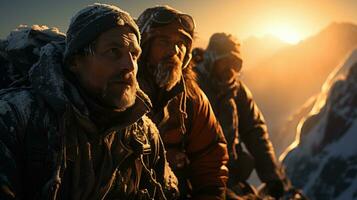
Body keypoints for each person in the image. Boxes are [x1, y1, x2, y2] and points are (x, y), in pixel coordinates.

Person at [0, 3, 178, 200]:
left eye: (134, 55)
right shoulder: (15, 119)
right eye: (113, 51)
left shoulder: (143, 134)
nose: (129, 65)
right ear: (75, 61)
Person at [136, 6, 229, 200]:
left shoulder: (192, 98)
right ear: (143, 46)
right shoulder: (120, 90)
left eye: (181, 43)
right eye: (164, 41)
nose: (174, 50)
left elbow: (210, 158)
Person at [195, 33, 287, 199]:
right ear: (211, 60)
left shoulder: (237, 90)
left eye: (235, 63)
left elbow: (254, 130)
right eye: (224, 61)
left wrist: (272, 176)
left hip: (231, 176)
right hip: (197, 179)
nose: (229, 68)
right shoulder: (192, 85)